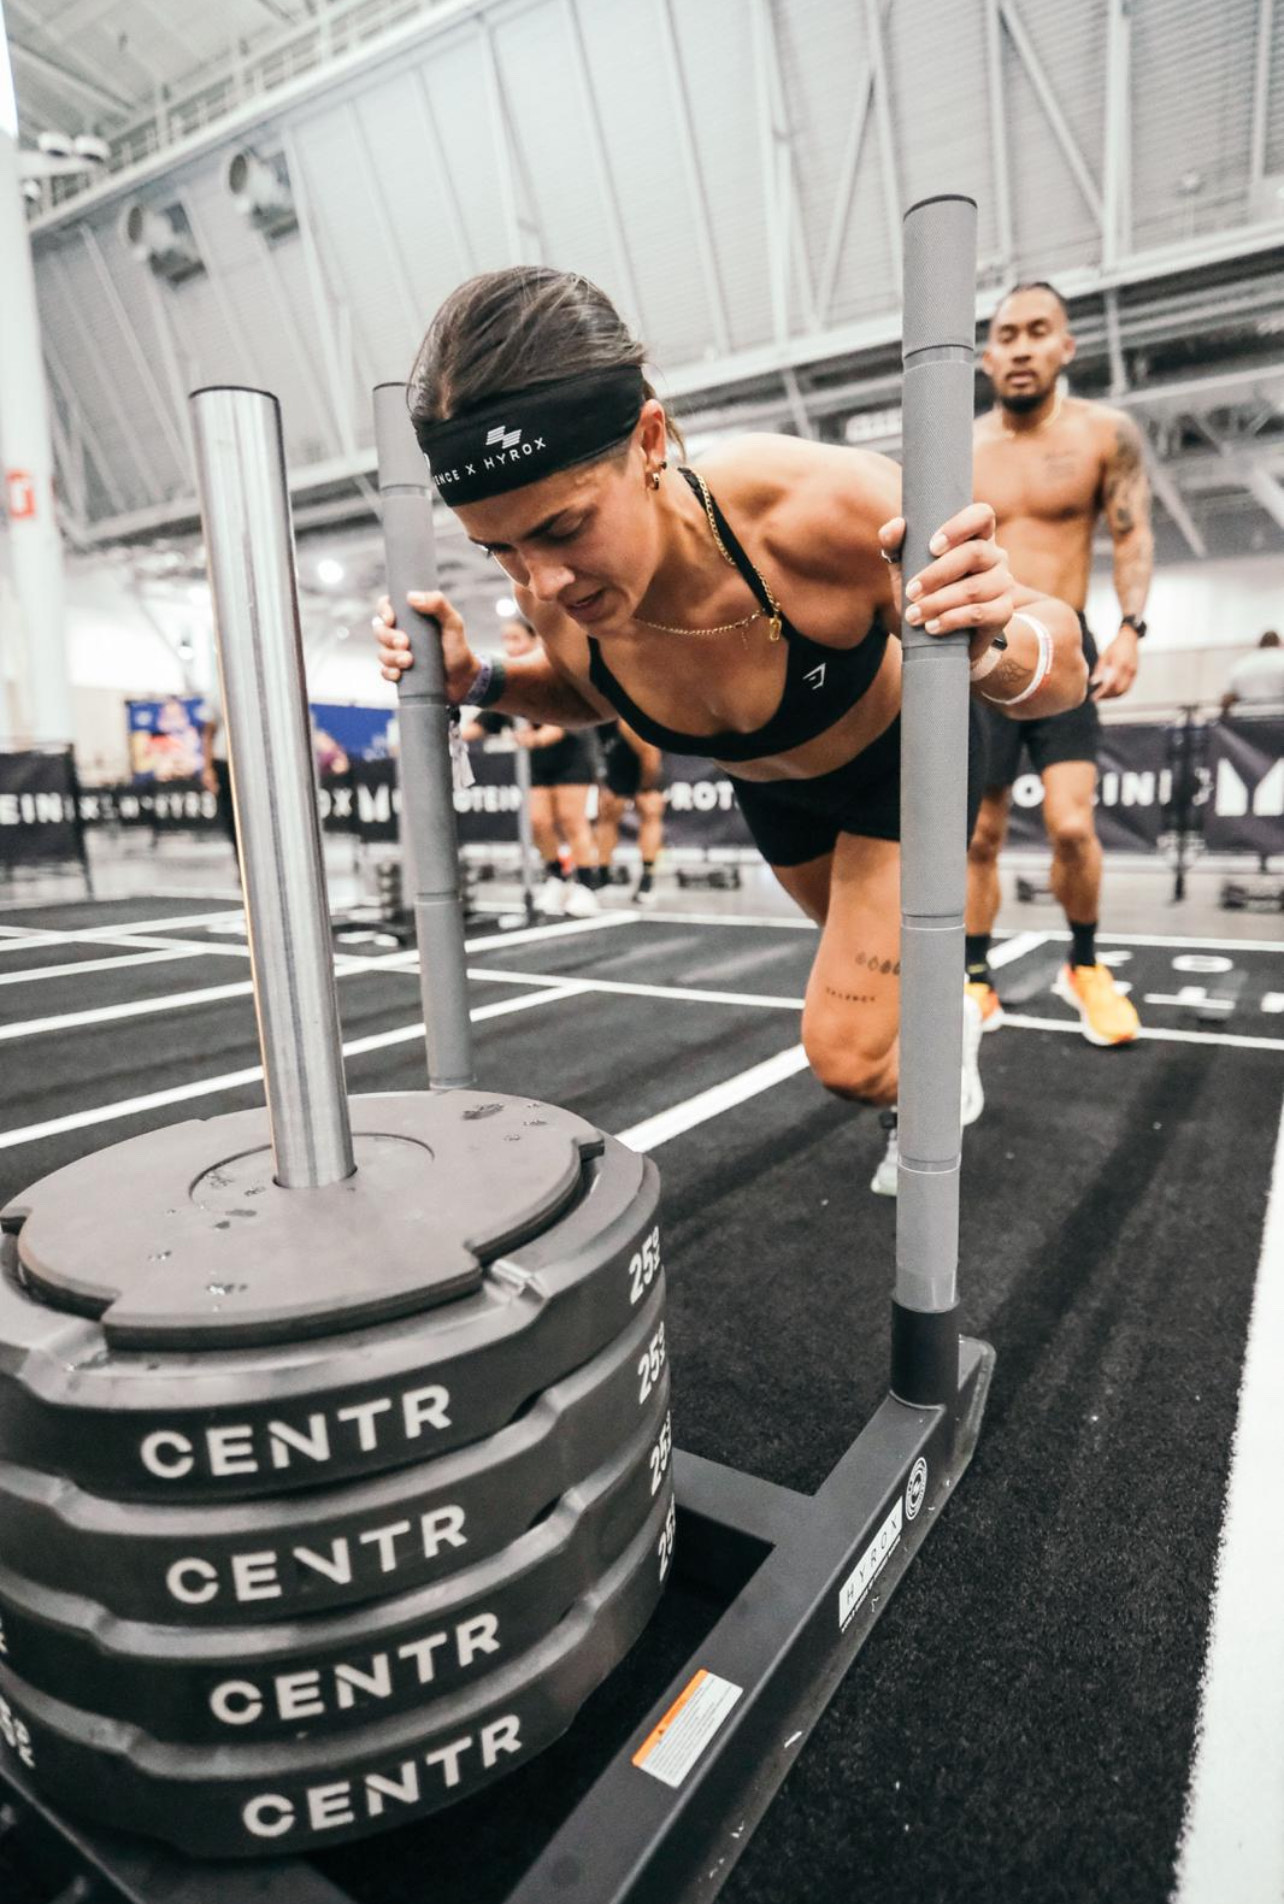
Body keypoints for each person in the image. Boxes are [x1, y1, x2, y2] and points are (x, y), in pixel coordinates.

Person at [373, 266, 1087, 1161]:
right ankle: (942, 1030)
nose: (541, 582)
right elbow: (596, 696)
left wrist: (989, 639)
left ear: (649, 437)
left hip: (898, 778)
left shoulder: (811, 511)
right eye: (499, 550)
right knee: (887, 1008)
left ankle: (951, 1054)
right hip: (776, 800)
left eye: (562, 529)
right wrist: (480, 680)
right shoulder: (553, 591)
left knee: (849, 1055)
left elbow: (1064, 664)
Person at [966, 281, 1154, 1047]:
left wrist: (1132, 629)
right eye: (1007, 334)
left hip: (1065, 645)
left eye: (1037, 331)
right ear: (986, 355)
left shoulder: (1106, 434)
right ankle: (975, 976)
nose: (1020, 347)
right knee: (980, 833)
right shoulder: (963, 447)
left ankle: (1082, 965)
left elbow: (1132, 535)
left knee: (1072, 824)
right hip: (982, 644)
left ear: (1066, 347)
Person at [461, 616, 602, 917]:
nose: (510, 646)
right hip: (537, 763)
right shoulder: (508, 680)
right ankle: (558, 878)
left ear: (535, 639)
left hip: (571, 756)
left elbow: (564, 721)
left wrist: (536, 738)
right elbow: (483, 724)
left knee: (571, 819)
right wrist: (441, 733)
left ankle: (587, 887)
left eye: (516, 638)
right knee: (538, 822)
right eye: (506, 640)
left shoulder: (556, 669)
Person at [596, 719, 665, 906]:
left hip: (646, 761)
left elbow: (651, 756)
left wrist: (646, 787)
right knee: (607, 812)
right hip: (618, 760)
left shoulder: (627, 724)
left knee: (650, 811)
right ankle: (602, 876)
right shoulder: (599, 721)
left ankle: (647, 879)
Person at [1221, 631, 1284, 714]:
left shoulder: (1241, 664)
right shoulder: (1281, 658)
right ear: (1278, 643)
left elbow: (1227, 698)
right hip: (1279, 716)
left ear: (1259, 644)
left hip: (1246, 718)